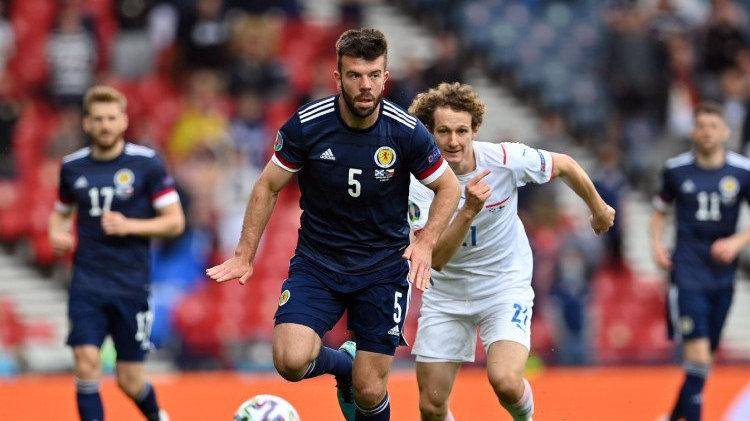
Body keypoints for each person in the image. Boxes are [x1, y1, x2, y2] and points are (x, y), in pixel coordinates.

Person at [206, 28, 460, 421]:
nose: (365, 85)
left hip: (382, 267)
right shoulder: (307, 125)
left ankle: (357, 375)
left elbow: (449, 187)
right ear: (338, 77)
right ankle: (344, 365)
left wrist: (425, 242)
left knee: (370, 389)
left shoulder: (406, 132)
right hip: (318, 262)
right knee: (290, 361)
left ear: (385, 77)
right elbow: (268, 185)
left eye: (373, 75)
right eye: (355, 75)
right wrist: (244, 254)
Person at [406, 82, 615, 421]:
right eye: (444, 131)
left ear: (475, 129)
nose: (454, 141)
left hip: (502, 286)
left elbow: (563, 164)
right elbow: (437, 260)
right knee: (431, 406)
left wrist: (598, 207)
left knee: (505, 381)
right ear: (431, 132)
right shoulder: (418, 182)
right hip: (446, 293)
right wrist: (468, 210)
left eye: (462, 131)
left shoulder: (504, 159)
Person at [49, 86, 184, 421]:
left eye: (111, 118)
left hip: (130, 284)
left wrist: (129, 226)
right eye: (97, 119)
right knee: (85, 361)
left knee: (129, 379)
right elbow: (60, 212)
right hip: (87, 282)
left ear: (124, 121)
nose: (105, 125)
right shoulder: (72, 167)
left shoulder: (147, 164)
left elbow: (175, 222)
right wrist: (56, 233)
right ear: (86, 123)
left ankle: (158, 416)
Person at [650, 102, 750, 421]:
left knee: (704, 361)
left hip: (723, 276)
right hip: (688, 272)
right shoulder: (676, 170)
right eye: (701, 126)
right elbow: (659, 212)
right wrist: (656, 246)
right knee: (697, 357)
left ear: (726, 132)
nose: (707, 132)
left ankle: (671, 417)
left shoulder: (742, 171)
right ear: (693, 131)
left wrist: (736, 242)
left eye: (713, 126)